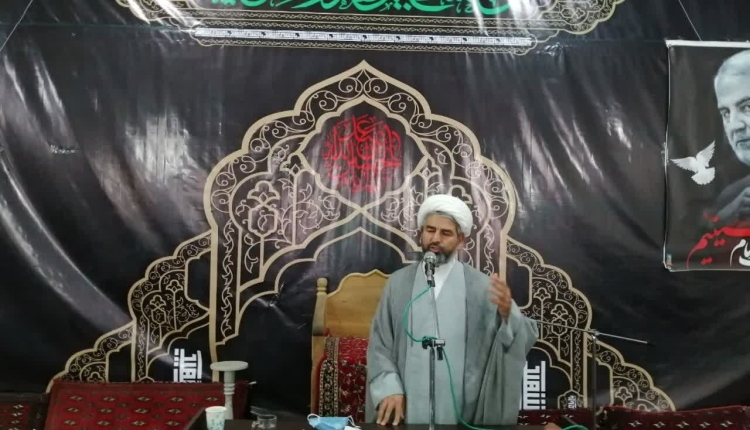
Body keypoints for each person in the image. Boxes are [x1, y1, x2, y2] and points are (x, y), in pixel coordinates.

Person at [365, 193, 539, 426]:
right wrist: (389, 388)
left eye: (445, 233)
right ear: (421, 232)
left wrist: (508, 315)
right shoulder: (398, 283)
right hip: (408, 407)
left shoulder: (481, 287)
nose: (435, 238)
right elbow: (380, 344)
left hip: (463, 408)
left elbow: (516, 338)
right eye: (430, 230)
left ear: (461, 240)